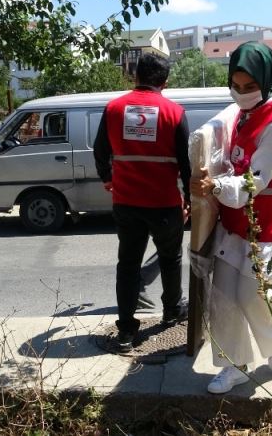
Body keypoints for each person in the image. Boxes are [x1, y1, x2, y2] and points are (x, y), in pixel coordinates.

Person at [190, 41, 272, 394]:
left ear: (265, 81)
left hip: (266, 227)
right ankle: (233, 365)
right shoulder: (241, 114)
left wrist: (215, 185)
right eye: (235, 86)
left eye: (249, 87)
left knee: (256, 297)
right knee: (223, 296)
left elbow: (254, 181)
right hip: (234, 225)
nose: (241, 93)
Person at [93, 53, 191, 352]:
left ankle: (125, 331)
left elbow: (100, 150)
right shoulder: (174, 112)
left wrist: (108, 179)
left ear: (135, 76)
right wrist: (189, 198)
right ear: (165, 82)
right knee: (170, 260)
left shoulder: (113, 108)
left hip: (127, 202)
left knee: (129, 264)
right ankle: (172, 311)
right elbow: (186, 163)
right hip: (164, 204)